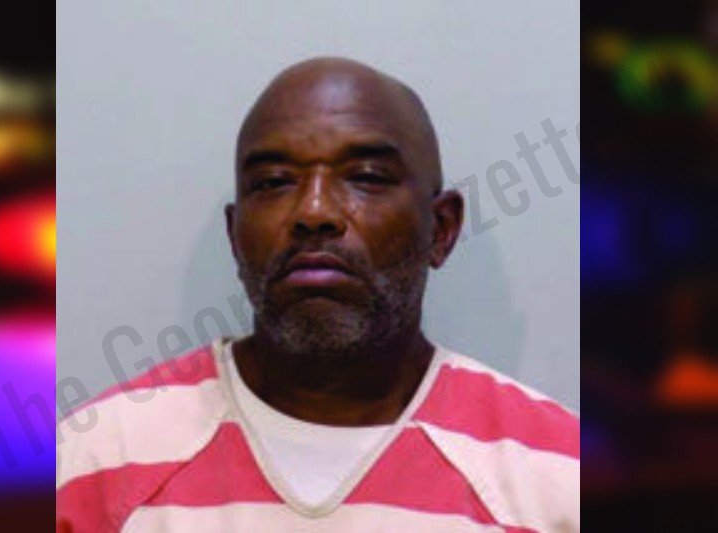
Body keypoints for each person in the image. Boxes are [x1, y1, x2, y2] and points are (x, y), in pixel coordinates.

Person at [56, 57, 579, 532]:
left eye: (366, 177)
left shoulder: (556, 480)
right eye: (273, 182)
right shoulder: (95, 461)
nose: (313, 211)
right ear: (235, 237)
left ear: (440, 230)